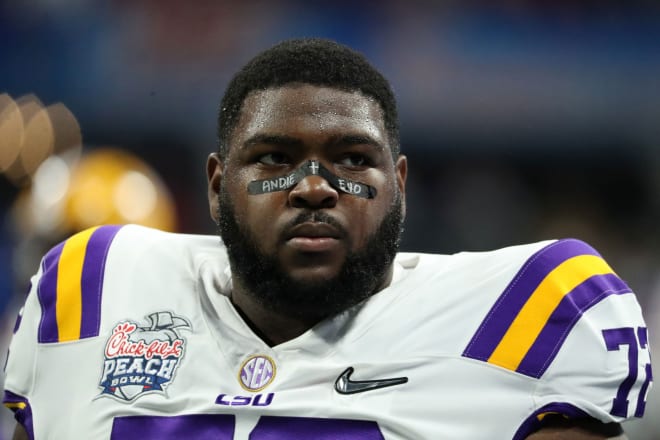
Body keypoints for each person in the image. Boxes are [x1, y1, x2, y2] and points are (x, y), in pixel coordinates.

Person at [2, 38, 652, 439]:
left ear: (399, 184)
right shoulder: (91, 291)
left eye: (350, 159)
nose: (314, 186)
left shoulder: (524, 319)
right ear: (215, 185)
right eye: (274, 158)